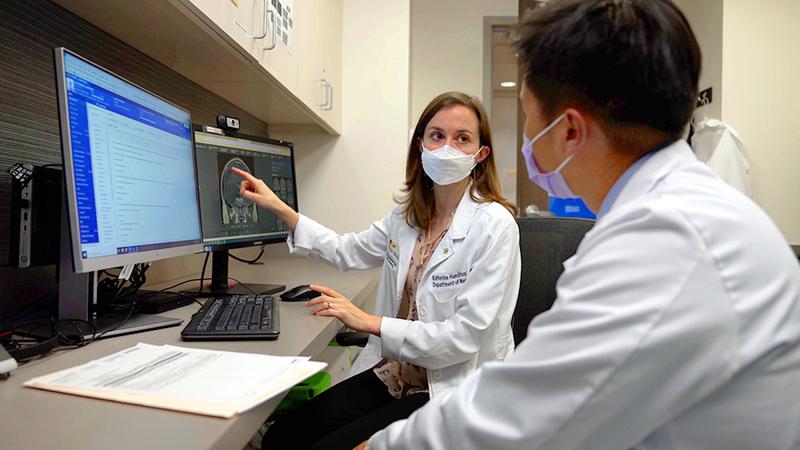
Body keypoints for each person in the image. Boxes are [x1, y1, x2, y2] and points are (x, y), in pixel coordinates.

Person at [362, 1, 800, 449]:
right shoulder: (674, 209)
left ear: (569, 130)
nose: (528, 134)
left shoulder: (663, 238)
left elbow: (520, 412)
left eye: (529, 113)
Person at [233, 92, 521, 449]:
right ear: (421, 147)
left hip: (447, 386)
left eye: (462, 138)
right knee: (282, 436)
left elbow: (463, 339)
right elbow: (345, 251)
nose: (447, 147)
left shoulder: (495, 225)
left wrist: (368, 321)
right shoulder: (407, 217)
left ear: (481, 155)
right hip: (394, 372)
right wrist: (282, 209)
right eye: (437, 135)